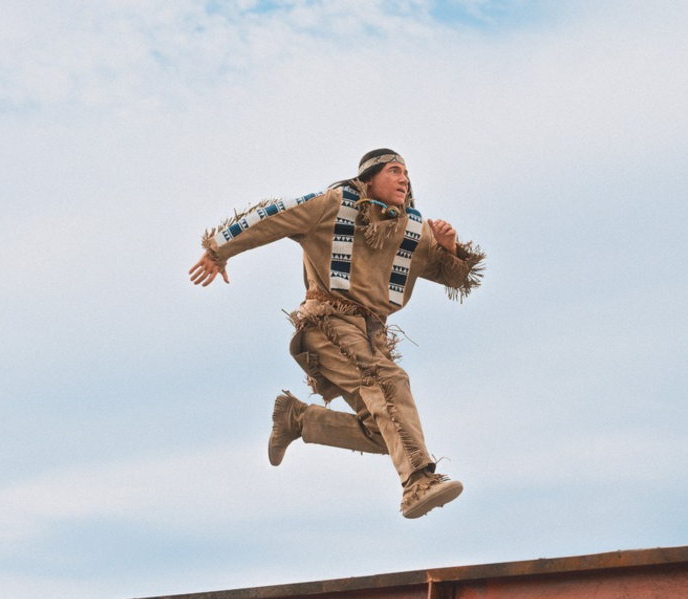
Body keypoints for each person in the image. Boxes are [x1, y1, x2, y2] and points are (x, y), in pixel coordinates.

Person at [189, 149, 485, 519]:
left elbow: (456, 278)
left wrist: (450, 248)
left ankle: (299, 418)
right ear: (369, 179)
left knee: (386, 428)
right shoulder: (333, 204)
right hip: (328, 321)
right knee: (390, 381)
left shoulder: (413, 228)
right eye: (394, 171)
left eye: (407, 173)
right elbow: (273, 215)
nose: (404, 179)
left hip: (372, 334)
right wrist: (218, 250)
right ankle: (418, 483)